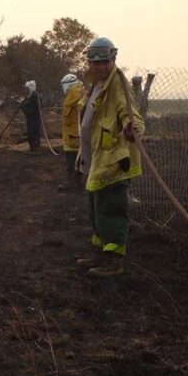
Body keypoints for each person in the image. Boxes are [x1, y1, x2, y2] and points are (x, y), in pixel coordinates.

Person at [75, 37, 145, 278]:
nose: (101, 66)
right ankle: (99, 252)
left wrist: (131, 127)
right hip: (96, 159)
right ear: (90, 64)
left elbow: (129, 111)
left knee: (112, 210)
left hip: (113, 161)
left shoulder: (117, 85)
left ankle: (113, 261)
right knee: (97, 211)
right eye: (96, 62)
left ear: (113, 60)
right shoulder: (96, 84)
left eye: (105, 61)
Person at [60, 73, 85, 189]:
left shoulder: (74, 95)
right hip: (73, 134)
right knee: (77, 159)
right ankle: (76, 181)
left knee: (73, 160)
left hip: (74, 135)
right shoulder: (77, 93)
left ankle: (72, 182)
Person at [22, 80, 42, 153]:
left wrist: (23, 107)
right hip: (32, 119)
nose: (26, 90)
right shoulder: (33, 96)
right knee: (32, 133)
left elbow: (31, 110)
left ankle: (35, 149)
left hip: (33, 119)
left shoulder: (34, 96)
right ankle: (34, 148)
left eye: (27, 88)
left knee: (33, 133)